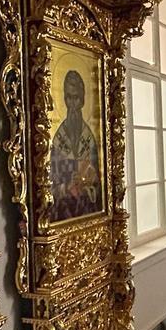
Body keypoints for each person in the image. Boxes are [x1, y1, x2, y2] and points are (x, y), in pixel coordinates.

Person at [49, 69, 102, 221]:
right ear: (64, 99)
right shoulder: (58, 140)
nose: (72, 104)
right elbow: (49, 184)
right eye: (69, 98)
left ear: (83, 100)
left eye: (76, 98)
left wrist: (86, 184)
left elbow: (100, 185)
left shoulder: (89, 139)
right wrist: (66, 187)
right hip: (63, 214)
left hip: (87, 213)